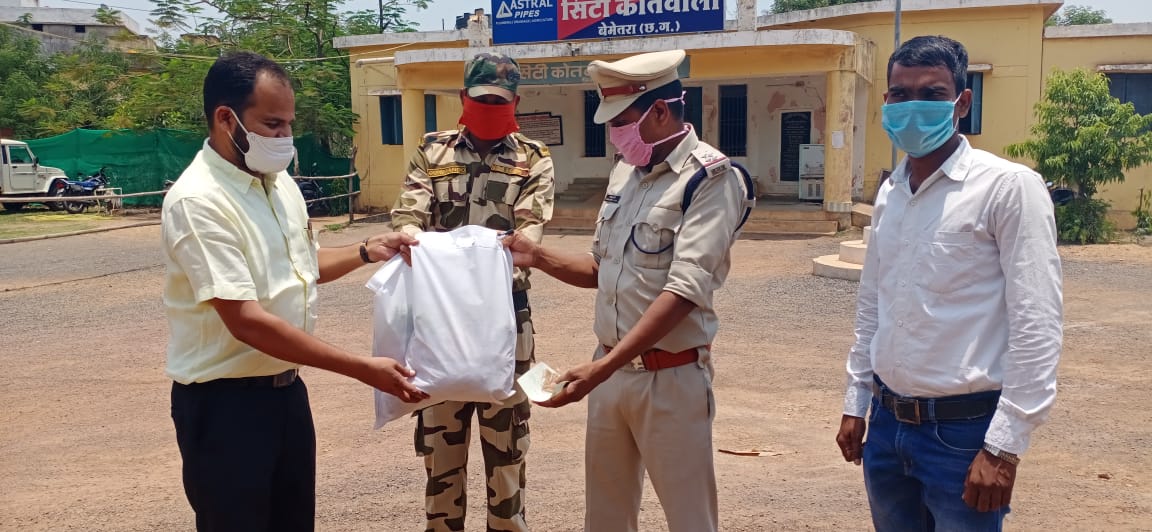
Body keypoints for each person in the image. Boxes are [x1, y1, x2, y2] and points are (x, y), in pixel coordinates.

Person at [162, 51, 429, 532]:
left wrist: (369, 249)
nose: (285, 137)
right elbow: (245, 320)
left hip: (285, 397)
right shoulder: (199, 201)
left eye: (288, 124)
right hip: (225, 409)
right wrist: (362, 369)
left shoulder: (278, 183)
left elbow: (303, 268)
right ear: (227, 119)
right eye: (273, 124)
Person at [502, 49, 752, 532]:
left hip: (670, 379)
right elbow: (602, 268)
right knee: (607, 516)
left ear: (660, 110)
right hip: (611, 373)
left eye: (622, 121)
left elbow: (683, 292)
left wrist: (601, 369)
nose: (614, 134)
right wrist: (536, 256)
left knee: (689, 517)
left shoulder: (711, 178)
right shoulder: (625, 173)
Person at [834, 35, 1064, 531]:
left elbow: (1037, 324)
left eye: (932, 93)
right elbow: (873, 303)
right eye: (899, 94)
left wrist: (1004, 446)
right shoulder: (892, 192)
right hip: (888, 424)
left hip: (964, 435)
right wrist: (856, 402)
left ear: (962, 102)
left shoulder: (1007, 187)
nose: (912, 106)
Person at [389, 52, 555, 532]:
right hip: (440, 324)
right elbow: (407, 222)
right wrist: (432, 245)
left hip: (505, 323)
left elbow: (527, 238)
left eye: (499, 101)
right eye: (481, 98)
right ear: (463, 97)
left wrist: (449, 252)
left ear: (516, 102)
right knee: (441, 451)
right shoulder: (432, 151)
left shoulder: (534, 159)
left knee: (507, 454)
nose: (489, 107)